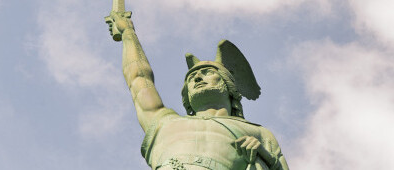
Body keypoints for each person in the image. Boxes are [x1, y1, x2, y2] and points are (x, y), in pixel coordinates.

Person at [106, 11, 289, 170]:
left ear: (228, 85)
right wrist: (128, 33)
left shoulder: (258, 133)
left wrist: (263, 156)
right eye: (191, 78)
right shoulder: (163, 122)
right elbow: (138, 78)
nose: (198, 78)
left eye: (207, 72)